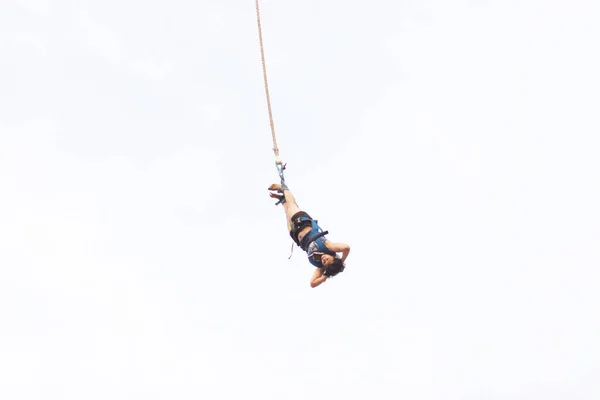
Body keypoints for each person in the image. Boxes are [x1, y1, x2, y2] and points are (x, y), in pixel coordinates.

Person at [269, 183, 350, 288]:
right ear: (333, 257)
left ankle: (282, 199)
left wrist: (326, 274)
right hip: (303, 223)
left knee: (287, 212)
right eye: (328, 260)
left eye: (325, 263)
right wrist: (341, 262)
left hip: (295, 234)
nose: (324, 260)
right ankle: (283, 188)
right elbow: (346, 247)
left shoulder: (320, 266)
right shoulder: (329, 247)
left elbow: (313, 283)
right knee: (292, 204)